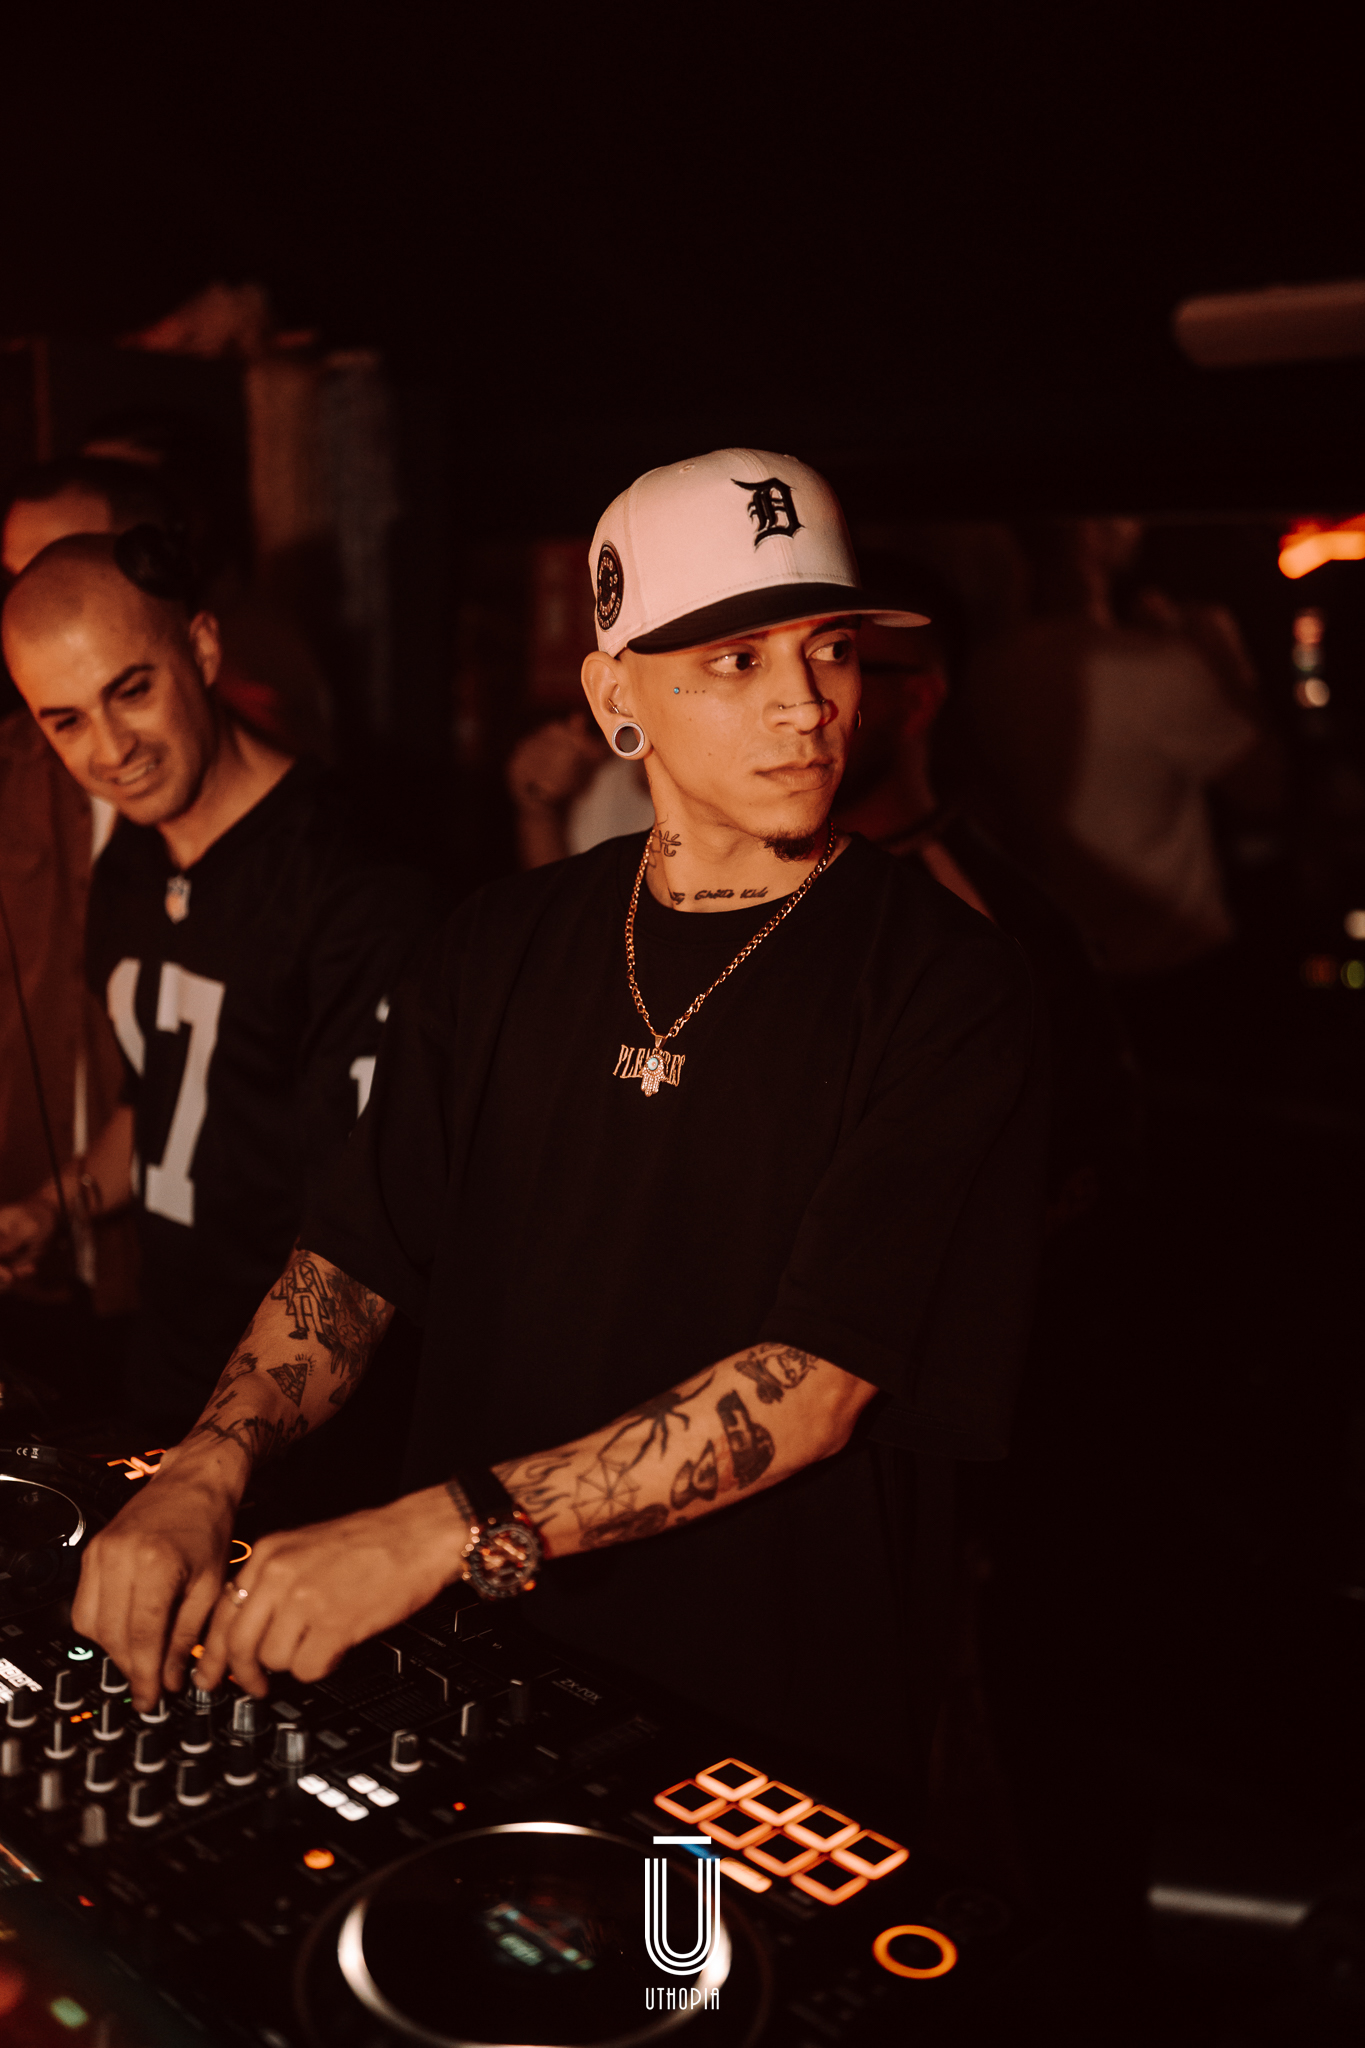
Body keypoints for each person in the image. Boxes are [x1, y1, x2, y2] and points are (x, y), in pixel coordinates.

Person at [69, 452, 1046, 1809]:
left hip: (762, 1735)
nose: (808, 703)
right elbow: (351, 1257)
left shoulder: (951, 985)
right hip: (482, 1672)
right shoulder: (495, 944)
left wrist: (436, 1529)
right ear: (614, 698)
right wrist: (208, 1461)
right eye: (736, 660)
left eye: (828, 648)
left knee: (680, 1950)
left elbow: (812, 1385)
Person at [0, 527, 432, 1433]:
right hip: (166, 1373)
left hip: (314, 1409)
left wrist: (232, 1443)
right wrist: (51, 1208)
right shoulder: (130, 866)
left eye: (132, 690)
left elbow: (374, 1219)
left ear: (200, 649)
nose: (111, 749)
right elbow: (166, 1101)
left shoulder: (353, 879)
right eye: (65, 720)